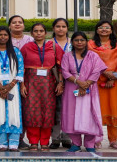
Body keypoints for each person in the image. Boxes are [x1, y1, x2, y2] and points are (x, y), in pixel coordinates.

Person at [61, 32, 108, 152]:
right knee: (71, 115)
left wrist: (86, 83)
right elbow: (65, 72)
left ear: (86, 42)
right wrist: (78, 82)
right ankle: (75, 144)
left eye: (82, 40)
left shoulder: (93, 55)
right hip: (72, 88)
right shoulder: (67, 56)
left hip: (89, 89)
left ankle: (90, 144)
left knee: (89, 115)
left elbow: (97, 70)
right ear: (72, 42)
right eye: (76, 40)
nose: (79, 42)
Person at [20, 23, 64, 151]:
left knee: (48, 113)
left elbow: (61, 66)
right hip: (31, 83)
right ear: (32, 33)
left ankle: (45, 142)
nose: (39, 33)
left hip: (49, 85)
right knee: (31, 112)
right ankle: (33, 142)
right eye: (36, 31)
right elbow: (20, 68)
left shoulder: (54, 47)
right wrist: (22, 84)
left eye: (41, 31)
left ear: (46, 33)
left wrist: (60, 83)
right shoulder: (26, 47)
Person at [88, 20, 117, 151]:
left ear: (111, 30)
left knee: (113, 109)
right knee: (96, 111)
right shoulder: (90, 44)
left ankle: (113, 140)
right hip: (96, 81)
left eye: (107, 27)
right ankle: (96, 139)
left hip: (114, 82)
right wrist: (104, 72)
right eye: (101, 27)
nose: (104, 29)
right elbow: (90, 62)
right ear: (96, 30)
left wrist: (113, 77)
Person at [0, 25, 24, 152]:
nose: (3, 37)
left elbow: (20, 70)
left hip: (13, 87)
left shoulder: (15, 51)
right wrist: (0, 86)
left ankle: (13, 143)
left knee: (14, 113)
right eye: (0, 35)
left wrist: (11, 85)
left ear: (9, 36)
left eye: (5, 35)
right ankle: (1, 143)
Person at [49, 18, 71, 149]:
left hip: (71, 80)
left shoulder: (74, 43)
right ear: (53, 28)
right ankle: (55, 138)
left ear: (67, 28)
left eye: (63, 26)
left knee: (69, 109)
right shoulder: (48, 43)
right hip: (53, 80)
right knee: (55, 109)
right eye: (58, 26)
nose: (61, 29)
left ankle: (68, 137)